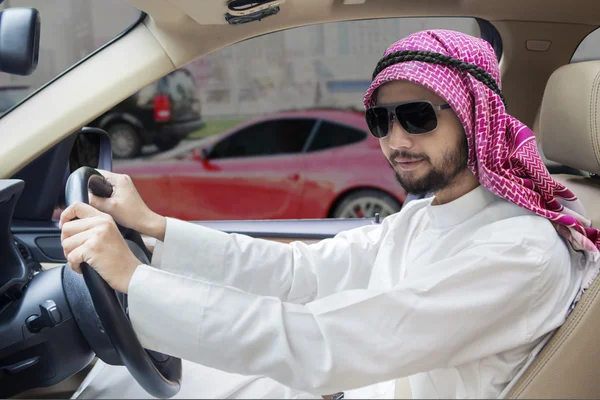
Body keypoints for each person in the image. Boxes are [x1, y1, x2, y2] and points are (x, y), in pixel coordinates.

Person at [61, 30, 600, 399]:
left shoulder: (518, 253)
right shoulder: (428, 215)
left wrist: (134, 278)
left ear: (473, 118)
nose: (397, 139)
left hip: (352, 378)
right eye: (381, 120)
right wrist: (154, 226)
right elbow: (303, 274)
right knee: (120, 382)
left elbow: (321, 344)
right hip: (358, 383)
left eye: (417, 116)